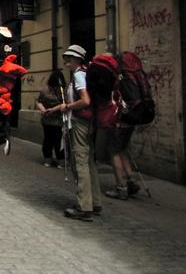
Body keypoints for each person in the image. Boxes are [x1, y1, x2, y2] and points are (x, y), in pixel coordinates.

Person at [47, 44, 102, 221]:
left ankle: (84, 207)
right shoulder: (86, 73)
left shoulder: (78, 75)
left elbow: (85, 100)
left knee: (80, 163)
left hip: (79, 123)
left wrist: (68, 106)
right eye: (66, 58)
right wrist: (57, 108)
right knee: (89, 161)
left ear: (78, 59)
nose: (66, 61)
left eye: (69, 58)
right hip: (88, 122)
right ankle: (94, 201)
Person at [36, 70, 66, 167]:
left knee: (48, 139)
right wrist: (53, 109)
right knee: (59, 141)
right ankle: (60, 161)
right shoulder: (63, 90)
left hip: (47, 119)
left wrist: (44, 110)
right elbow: (64, 104)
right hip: (58, 120)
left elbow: (39, 101)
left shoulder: (45, 90)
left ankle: (47, 160)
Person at [104, 126, 141, 200]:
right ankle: (131, 182)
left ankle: (121, 187)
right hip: (129, 124)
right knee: (122, 150)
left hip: (117, 124)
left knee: (114, 153)